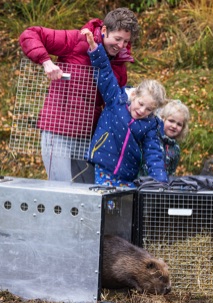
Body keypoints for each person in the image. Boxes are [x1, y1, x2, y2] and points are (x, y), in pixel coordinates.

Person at [19, 8, 140, 183]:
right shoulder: (77, 40)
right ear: (104, 30)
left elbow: (114, 103)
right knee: (61, 191)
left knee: (88, 193)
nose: (121, 46)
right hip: (58, 131)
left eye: (126, 41)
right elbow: (30, 34)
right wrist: (46, 62)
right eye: (117, 39)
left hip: (89, 137)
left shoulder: (120, 63)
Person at [81, 28, 168, 187]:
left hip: (127, 175)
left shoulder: (149, 125)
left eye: (148, 110)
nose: (142, 111)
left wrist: (160, 182)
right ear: (134, 95)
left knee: (125, 208)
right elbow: (105, 73)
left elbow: (153, 154)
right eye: (141, 104)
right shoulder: (116, 100)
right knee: (105, 204)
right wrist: (94, 47)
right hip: (103, 165)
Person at [140, 99, 190, 177]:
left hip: (163, 186)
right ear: (162, 119)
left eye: (179, 124)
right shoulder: (151, 138)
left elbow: (171, 172)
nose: (174, 126)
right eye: (171, 121)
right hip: (143, 183)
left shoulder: (175, 148)